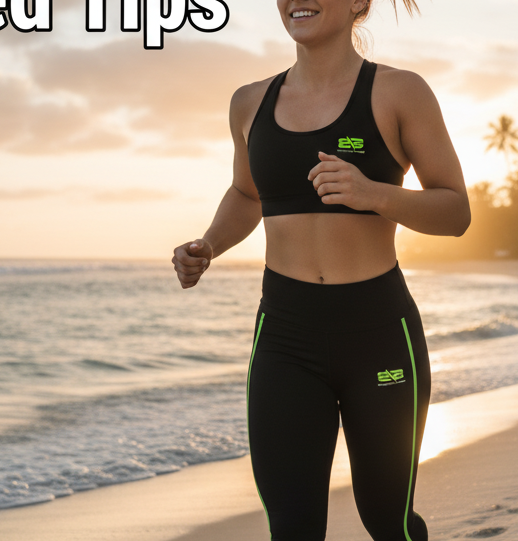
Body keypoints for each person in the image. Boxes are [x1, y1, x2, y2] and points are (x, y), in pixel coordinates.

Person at [172, 0, 470, 539]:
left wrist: (373, 193)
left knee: (388, 519)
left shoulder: (399, 92)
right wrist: (208, 245)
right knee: (291, 526)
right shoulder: (249, 103)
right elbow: (246, 194)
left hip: (378, 332)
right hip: (286, 337)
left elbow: (455, 212)